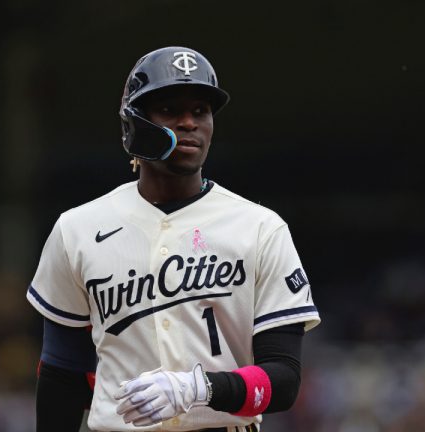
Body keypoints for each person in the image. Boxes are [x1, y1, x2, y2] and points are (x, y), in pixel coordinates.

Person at [27, 46, 320, 432]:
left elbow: (283, 380)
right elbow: (63, 372)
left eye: (200, 111)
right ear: (134, 122)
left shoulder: (260, 228)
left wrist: (200, 388)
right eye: (169, 110)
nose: (188, 123)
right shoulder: (77, 229)